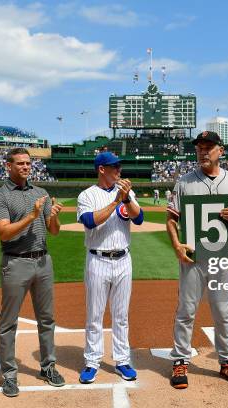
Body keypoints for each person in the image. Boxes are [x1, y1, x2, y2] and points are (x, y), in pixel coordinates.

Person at [165, 131, 228, 389]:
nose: (203, 151)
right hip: (193, 257)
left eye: (208, 147)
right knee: (186, 311)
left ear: (220, 151)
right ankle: (180, 359)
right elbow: (171, 220)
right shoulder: (184, 182)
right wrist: (177, 245)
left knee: (223, 312)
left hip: (221, 257)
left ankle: (227, 361)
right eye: (199, 147)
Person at [0, 147, 66, 397]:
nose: (25, 167)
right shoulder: (0, 196)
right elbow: (4, 232)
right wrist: (32, 216)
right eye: (20, 163)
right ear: (8, 166)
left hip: (43, 261)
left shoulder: (41, 192)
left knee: (47, 319)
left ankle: (48, 367)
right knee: (9, 322)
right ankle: (10, 375)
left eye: (28, 164)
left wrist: (52, 216)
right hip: (15, 263)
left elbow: (54, 231)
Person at [76, 151, 143, 384]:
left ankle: (122, 360)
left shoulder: (127, 193)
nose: (119, 170)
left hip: (124, 259)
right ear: (101, 169)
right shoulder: (87, 195)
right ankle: (92, 361)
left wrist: (125, 199)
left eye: (119, 166)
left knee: (121, 315)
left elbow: (139, 218)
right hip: (98, 260)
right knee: (94, 315)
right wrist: (116, 201)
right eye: (114, 167)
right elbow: (89, 221)